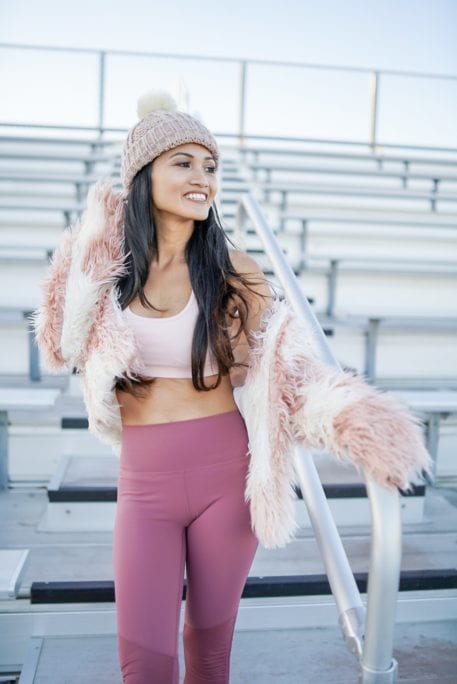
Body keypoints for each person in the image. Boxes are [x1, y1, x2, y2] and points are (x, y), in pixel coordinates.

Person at [33, 89, 431, 684]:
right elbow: (58, 342)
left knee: (210, 653)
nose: (203, 178)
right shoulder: (105, 270)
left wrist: (362, 426)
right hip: (145, 484)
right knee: (144, 663)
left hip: (227, 474)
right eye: (184, 162)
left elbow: (289, 370)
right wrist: (89, 243)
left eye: (211, 165)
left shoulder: (234, 270)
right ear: (143, 174)